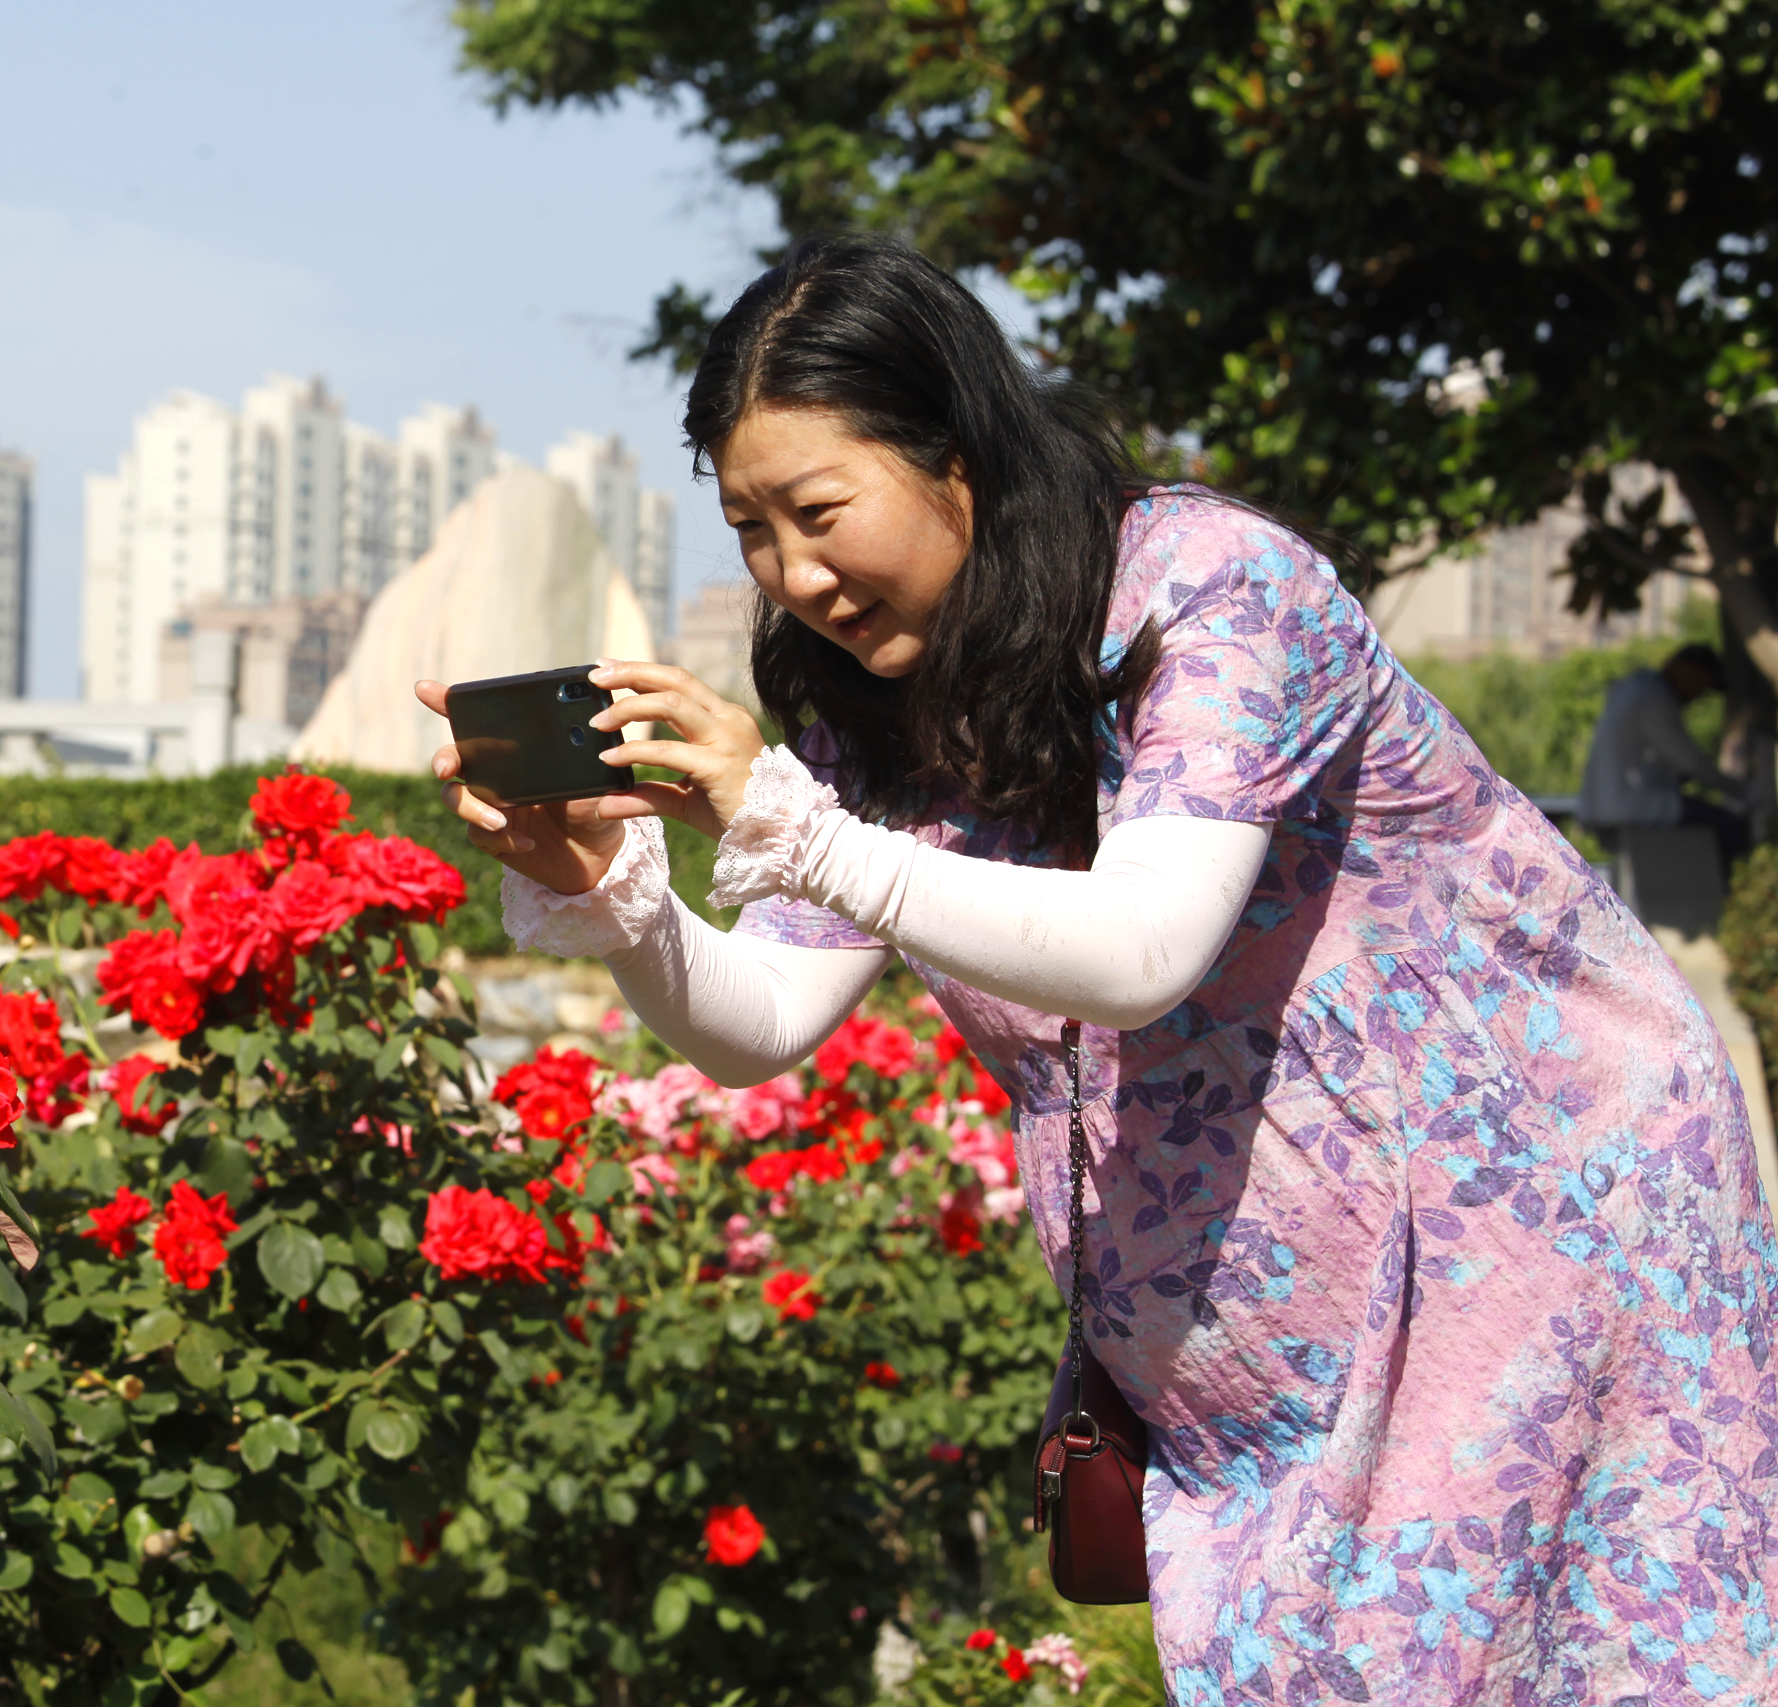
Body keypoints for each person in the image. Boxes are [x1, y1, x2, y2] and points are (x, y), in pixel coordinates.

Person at [419, 237, 1777, 1703]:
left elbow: (1137, 950)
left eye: (817, 510)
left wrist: (790, 829)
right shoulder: (874, 697)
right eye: (748, 526)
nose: (792, 574)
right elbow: (759, 1018)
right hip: (1266, 1358)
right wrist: (612, 901)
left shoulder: (1212, 587)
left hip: (1531, 1239)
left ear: (957, 452)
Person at [1581, 643, 1753, 875]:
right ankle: (1734, 901)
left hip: (1603, 806)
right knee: (1731, 827)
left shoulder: (1635, 688)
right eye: (1700, 682)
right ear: (1684, 668)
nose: (1698, 694)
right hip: (1629, 807)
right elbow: (1690, 762)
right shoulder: (1653, 696)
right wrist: (1742, 789)